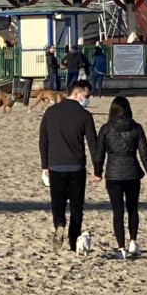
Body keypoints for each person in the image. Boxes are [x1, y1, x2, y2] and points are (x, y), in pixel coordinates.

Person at [92, 95, 147, 259]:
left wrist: (97, 172)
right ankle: (133, 242)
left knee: (117, 211)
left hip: (113, 173)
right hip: (132, 173)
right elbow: (144, 154)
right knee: (133, 209)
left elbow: (98, 153)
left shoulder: (106, 128)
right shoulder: (136, 128)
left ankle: (121, 248)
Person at [39, 79, 98, 254]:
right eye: (86, 96)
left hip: (56, 165)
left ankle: (59, 224)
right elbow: (93, 144)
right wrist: (98, 168)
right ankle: (74, 240)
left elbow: (43, 141)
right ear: (76, 94)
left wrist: (45, 165)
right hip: (77, 166)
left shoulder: (50, 112)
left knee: (57, 203)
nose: (87, 99)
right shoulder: (84, 115)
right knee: (76, 206)